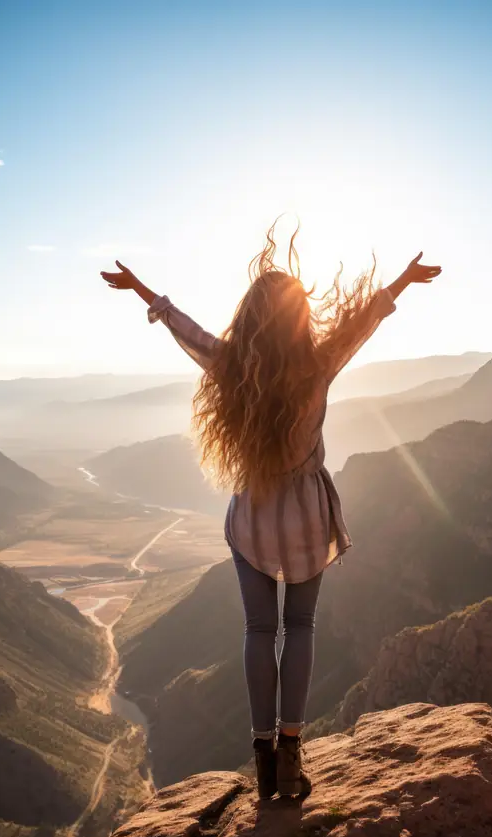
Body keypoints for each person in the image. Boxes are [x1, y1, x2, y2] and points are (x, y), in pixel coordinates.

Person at [101, 222, 441, 800]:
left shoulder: (234, 367)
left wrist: (141, 289)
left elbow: (189, 332)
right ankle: (291, 753)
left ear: (254, 317)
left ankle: (261, 758)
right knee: (301, 626)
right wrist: (403, 281)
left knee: (259, 629)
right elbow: (364, 323)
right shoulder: (319, 362)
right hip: (307, 513)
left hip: (254, 513)